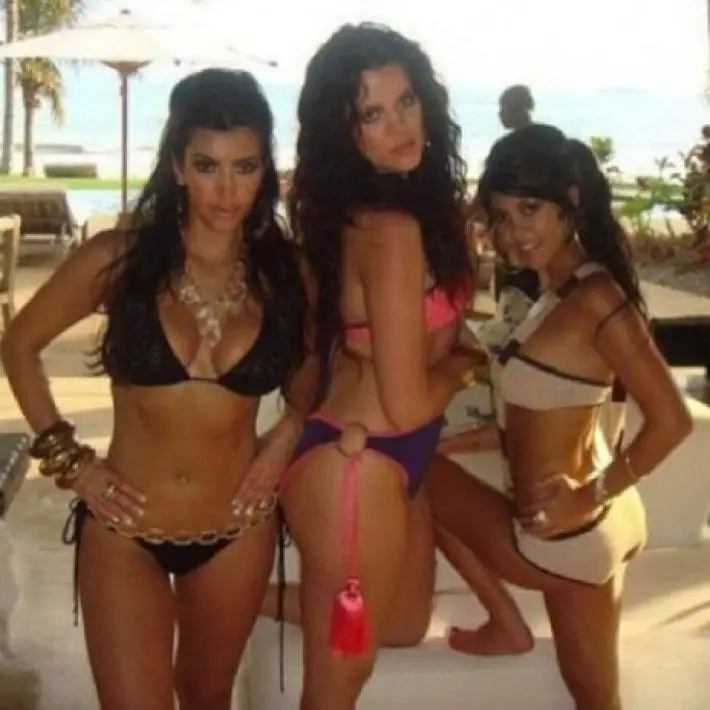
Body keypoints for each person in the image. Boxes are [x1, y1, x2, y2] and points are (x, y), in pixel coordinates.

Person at [0, 68, 308, 710]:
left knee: (206, 696)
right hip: (124, 530)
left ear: (265, 170)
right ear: (176, 166)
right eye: (206, 166)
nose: (226, 189)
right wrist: (71, 462)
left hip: (238, 528)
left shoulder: (286, 273)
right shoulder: (118, 259)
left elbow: (315, 375)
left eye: (245, 167)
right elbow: (19, 345)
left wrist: (286, 435)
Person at [428, 124, 692, 709]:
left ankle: (506, 624)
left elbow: (673, 421)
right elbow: (548, 406)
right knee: (595, 694)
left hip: (566, 529)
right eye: (501, 217)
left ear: (571, 201)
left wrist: (587, 496)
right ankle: (506, 626)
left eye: (530, 210)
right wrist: (467, 440)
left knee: (409, 468)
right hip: (589, 518)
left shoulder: (596, 300)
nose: (514, 233)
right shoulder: (555, 291)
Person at [275, 22, 479, 710]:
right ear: (345, 132)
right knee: (338, 685)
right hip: (359, 460)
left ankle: (252, 595)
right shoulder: (388, 230)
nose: (399, 125)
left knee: (400, 624)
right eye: (372, 113)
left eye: (406, 101)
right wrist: (466, 366)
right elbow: (409, 402)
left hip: (395, 451)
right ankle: (256, 596)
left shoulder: (406, 209)